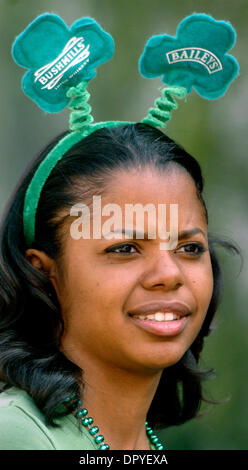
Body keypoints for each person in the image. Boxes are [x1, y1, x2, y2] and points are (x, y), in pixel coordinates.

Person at [0, 123, 241, 450]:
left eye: (190, 248)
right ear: (42, 274)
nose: (170, 274)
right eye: (125, 248)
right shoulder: (18, 435)